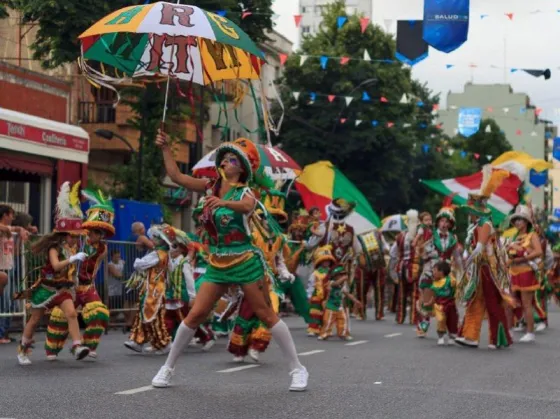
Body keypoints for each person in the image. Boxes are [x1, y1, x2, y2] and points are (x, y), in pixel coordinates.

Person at [151, 131, 308, 391]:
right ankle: (167, 368)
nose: (225, 162)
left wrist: (221, 202)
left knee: (265, 314)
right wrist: (166, 148)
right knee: (195, 314)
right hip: (218, 262)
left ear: (242, 169)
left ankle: (297, 369)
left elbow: (247, 208)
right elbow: (177, 177)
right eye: (223, 159)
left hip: (245, 260)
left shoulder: (247, 191)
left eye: (232, 160)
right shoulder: (208, 186)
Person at [14, 181, 90, 365]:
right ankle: (23, 350)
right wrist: (72, 259)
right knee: (35, 319)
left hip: (62, 289)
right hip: (47, 288)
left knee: (71, 314)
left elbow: (68, 272)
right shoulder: (54, 249)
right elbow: (56, 266)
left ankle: (77, 346)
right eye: (75, 235)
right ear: (66, 235)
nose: (77, 238)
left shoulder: (72, 249)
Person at [44, 187, 113, 359]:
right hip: (70, 285)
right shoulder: (77, 240)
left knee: (100, 312)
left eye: (100, 232)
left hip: (87, 286)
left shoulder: (103, 249)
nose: (97, 235)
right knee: (60, 317)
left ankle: (88, 346)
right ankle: (52, 349)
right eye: (95, 230)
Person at [455, 165, 514, 349]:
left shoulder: (485, 223)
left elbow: (479, 248)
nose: (470, 212)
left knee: (491, 302)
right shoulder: (475, 225)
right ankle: (470, 336)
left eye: (472, 208)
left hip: (486, 268)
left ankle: (498, 338)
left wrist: (467, 258)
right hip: (478, 268)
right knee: (475, 301)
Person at [124, 224, 173, 355]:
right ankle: (137, 340)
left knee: (152, 316)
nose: (153, 241)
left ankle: (163, 343)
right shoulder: (165, 254)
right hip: (154, 288)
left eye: (155, 239)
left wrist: (138, 261)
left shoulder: (157, 254)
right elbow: (170, 270)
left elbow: (138, 264)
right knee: (143, 314)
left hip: (153, 290)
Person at [506, 205, 543, 343]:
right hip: (513, 272)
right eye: (516, 220)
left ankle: (530, 332)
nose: (517, 223)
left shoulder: (532, 235)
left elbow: (539, 251)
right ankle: (509, 330)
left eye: (520, 220)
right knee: (510, 302)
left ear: (526, 222)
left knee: (527, 304)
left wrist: (523, 257)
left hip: (526, 272)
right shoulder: (514, 237)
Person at [0, 205, 29, 344]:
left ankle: (4, 332)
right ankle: (0, 333)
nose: (12, 218)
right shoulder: (3, 228)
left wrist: (22, 229)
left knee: (11, 303)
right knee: (4, 303)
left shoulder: (11, 230)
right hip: (1, 269)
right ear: (5, 215)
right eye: (11, 215)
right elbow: (4, 228)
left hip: (9, 267)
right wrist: (16, 229)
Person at [318, 265, 362, 341]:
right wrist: (342, 279)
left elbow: (348, 294)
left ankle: (343, 333)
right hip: (330, 306)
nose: (343, 276)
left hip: (339, 306)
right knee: (328, 321)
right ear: (335, 276)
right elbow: (335, 284)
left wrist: (356, 301)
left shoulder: (343, 286)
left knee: (343, 320)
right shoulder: (331, 282)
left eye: (344, 275)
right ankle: (324, 334)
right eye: (340, 275)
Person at [429, 261, 458, 346]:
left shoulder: (451, 280)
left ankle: (452, 337)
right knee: (441, 320)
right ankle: (441, 337)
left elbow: (457, 288)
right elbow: (433, 296)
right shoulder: (435, 283)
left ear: (441, 272)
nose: (433, 272)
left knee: (452, 321)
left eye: (434, 270)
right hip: (439, 306)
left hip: (451, 304)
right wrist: (429, 303)